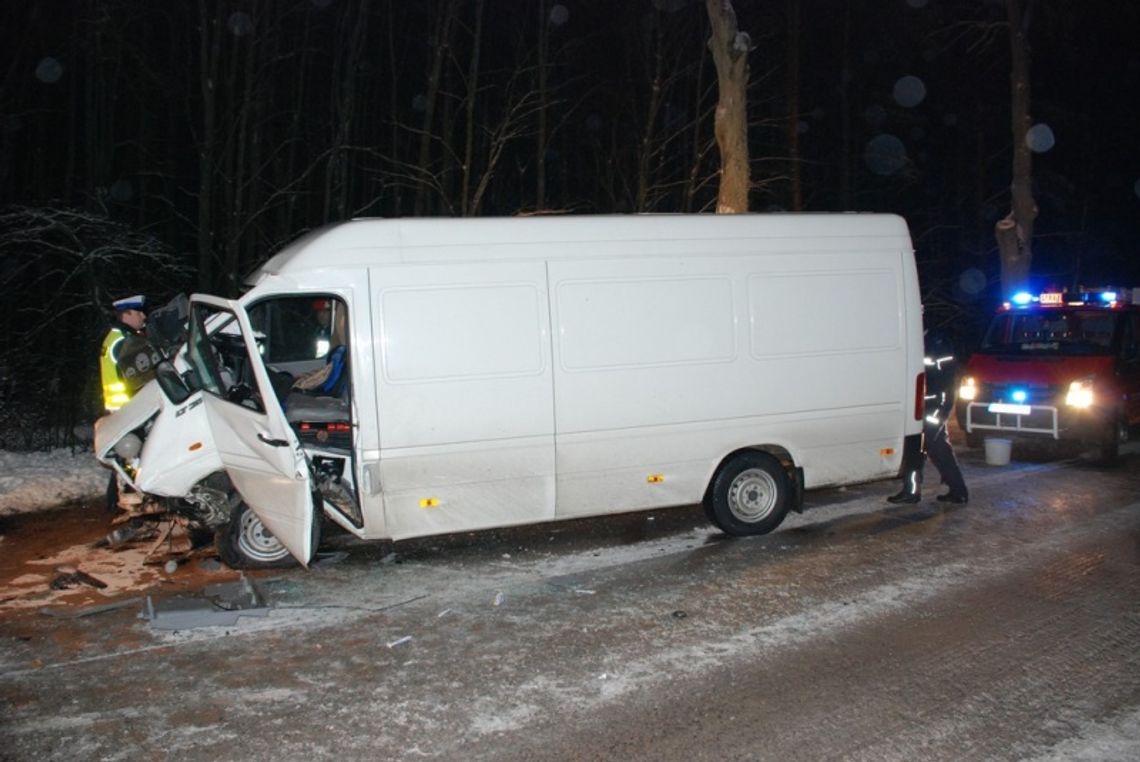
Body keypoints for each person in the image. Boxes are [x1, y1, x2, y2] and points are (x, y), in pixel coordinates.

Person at [887, 331, 969, 505]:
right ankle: (957, 490)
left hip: (933, 405)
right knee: (937, 448)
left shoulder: (934, 345)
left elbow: (940, 379)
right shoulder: (929, 342)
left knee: (919, 447)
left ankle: (912, 491)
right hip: (930, 404)